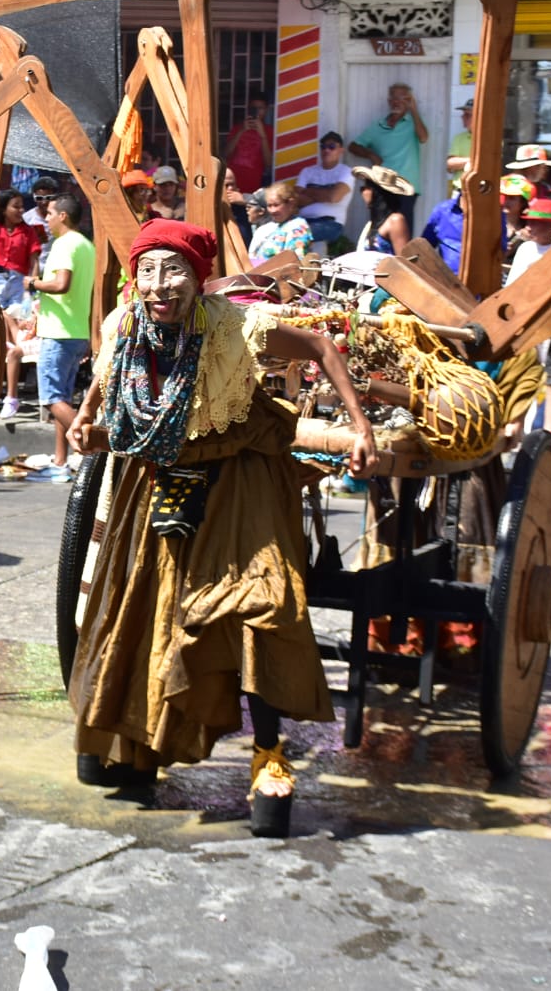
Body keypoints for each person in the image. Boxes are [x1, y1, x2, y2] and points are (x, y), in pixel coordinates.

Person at [65, 218, 376, 837]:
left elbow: (321, 349)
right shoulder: (127, 322)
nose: (159, 285)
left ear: (198, 279)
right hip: (154, 474)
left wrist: (361, 427)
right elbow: (108, 370)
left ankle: (269, 756)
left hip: (241, 475)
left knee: (260, 605)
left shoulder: (238, 326)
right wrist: (87, 414)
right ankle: (132, 741)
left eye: (173, 272)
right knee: (143, 608)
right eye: (147, 272)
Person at [29, 194, 95, 478]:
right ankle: (60, 460)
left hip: (59, 334)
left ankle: (96, 450)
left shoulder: (65, 244)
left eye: (50, 213)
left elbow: (61, 283)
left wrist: (33, 282)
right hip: (77, 331)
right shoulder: (86, 245)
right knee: (63, 398)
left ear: (63, 216)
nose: (46, 218)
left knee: (53, 399)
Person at [349, 83, 427, 226]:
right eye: (393, 98)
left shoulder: (412, 123)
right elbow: (353, 146)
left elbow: (423, 138)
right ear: (388, 101)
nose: (396, 102)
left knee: (403, 233)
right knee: (379, 230)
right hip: (382, 185)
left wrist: (414, 110)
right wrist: (370, 154)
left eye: (402, 98)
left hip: (406, 187)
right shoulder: (378, 125)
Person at [0, 188, 40, 419]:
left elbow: (34, 262)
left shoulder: (27, 231)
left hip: (18, 283)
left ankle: (9, 392)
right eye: (16, 206)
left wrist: (31, 290)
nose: (21, 210)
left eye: (22, 206)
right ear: (3, 208)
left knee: (13, 322)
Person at [294, 131, 353, 245]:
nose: (326, 150)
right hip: (302, 221)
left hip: (331, 223)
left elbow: (333, 197)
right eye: (323, 147)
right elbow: (296, 200)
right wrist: (325, 193)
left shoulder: (347, 172)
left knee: (297, 235)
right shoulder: (307, 171)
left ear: (341, 150)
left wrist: (307, 191)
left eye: (332, 147)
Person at [351, 165, 415, 255]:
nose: (362, 193)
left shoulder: (396, 221)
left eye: (365, 188)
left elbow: (404, 262)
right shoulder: (371, 224)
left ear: (376, 192)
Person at [248, 182, 312, 267]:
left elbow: (294, 261)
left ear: (290, 203)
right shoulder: (266, 228)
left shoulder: (298, 226)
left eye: (276, 205)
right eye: (269, 206)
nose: (272, 210)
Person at [505, 198, 551, 286]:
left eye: (535, 223)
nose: (528, 227)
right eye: (528, 222)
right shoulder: (525, 248)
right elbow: (511, 283)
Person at [223, 93, 273, 194]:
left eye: (261, 108)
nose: (257, 111)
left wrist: (262, 134)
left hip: (252, 185)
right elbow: (226, 154)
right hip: (230, 182)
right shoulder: (237, 128)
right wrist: (242, 130)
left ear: (266, 110)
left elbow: (268, 163)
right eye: (254, 108)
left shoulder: (270, 131)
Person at [445, 99, 474, 195]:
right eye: (463, 114)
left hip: (479, 191)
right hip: (458, 190)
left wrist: (460, 163)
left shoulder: (489, 139)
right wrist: (472, 160)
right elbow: (450, 164)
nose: (462, 117)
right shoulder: (459, 138)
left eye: (467, 115)